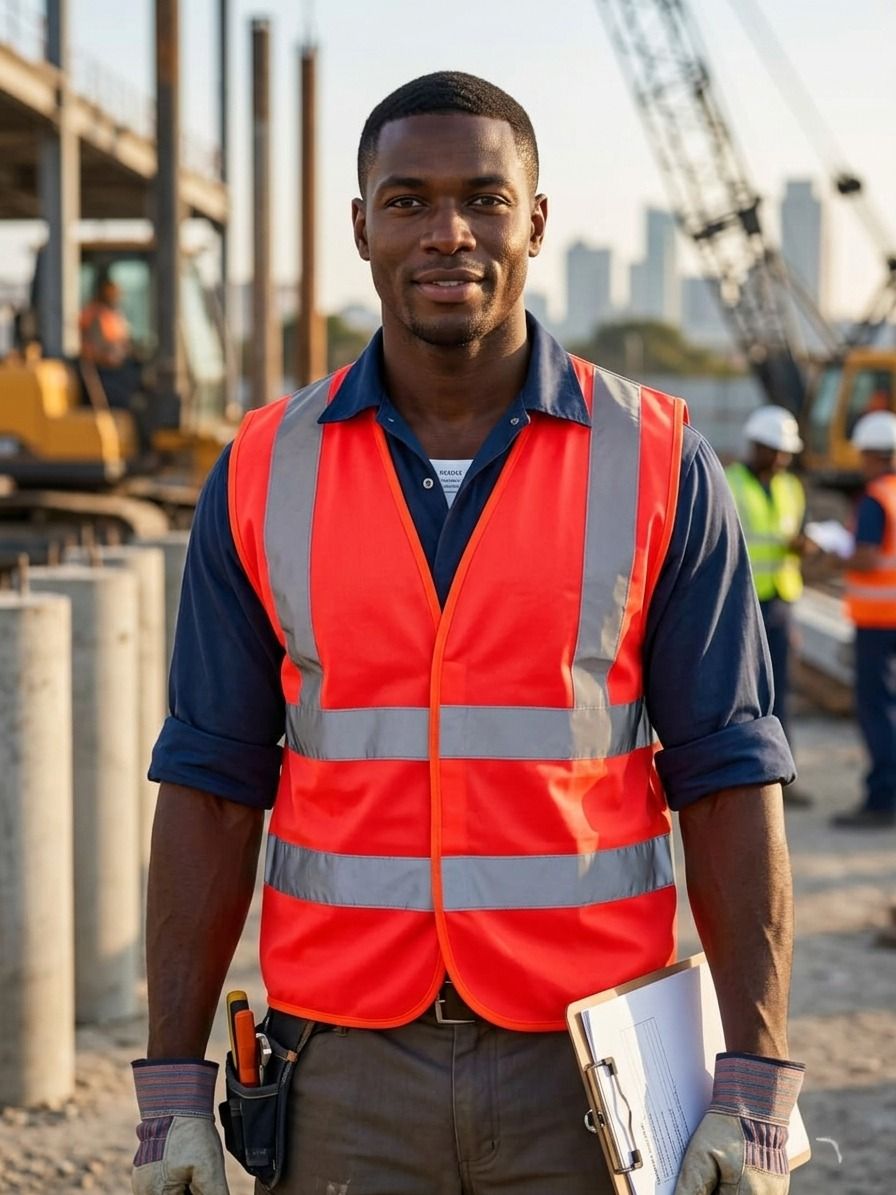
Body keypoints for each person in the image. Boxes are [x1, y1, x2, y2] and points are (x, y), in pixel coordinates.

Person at [132, 72, 804, 1195]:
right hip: (343, 1069)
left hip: (587, 1068)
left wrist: (752, 1085)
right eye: (406, 200)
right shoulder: (262, 467)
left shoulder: (656, 461)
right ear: (359, 226)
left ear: (535, 219)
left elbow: (729, 776)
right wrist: (170, 1097)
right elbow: (209, 780)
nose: (448, 231)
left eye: (485, 198)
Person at [725, 407, 813, 807]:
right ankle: (743, 779)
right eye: (774, 450)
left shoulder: (791, 487)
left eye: (785, 453)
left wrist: (803, 546)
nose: (780, 459)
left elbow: (790, 536)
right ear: (756, 445)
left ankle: (779, 776)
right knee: (741, 694)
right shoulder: (729, 483)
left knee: (780, 692)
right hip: (741, 603)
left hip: (779, 600)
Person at [831, 410, 896, 829]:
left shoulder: (875, 497)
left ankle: (883, 796)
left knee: (877, 708)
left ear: (871, 454)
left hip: (877, 619)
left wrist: (838, 550)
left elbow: (868, 556)